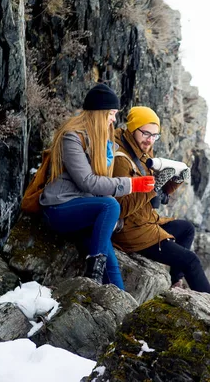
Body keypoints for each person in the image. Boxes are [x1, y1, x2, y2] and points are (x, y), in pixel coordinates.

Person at [39, 84, 155, 290]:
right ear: (99, 112)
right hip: (59, 209)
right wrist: (132, 184)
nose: (114, 119)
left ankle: (119, 310)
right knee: (109, 205)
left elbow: (96, 188)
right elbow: (88, 182)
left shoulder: (103, 140)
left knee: (114, 276)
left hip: (84, 213)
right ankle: (93, 275)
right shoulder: (72, 137)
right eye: (111, 114)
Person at [111, 106, 210, 294]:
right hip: (131, 231)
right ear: (133, 128)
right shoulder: (121, 160)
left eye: (155, 135)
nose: (150, 140)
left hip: (146, 222)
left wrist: (175, 181)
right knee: (190, 260)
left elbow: (159, 196)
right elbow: (119, 209)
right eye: (145, 133)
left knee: (187, 229)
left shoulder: (141, 150)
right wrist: (153, 187)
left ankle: (176, 282)